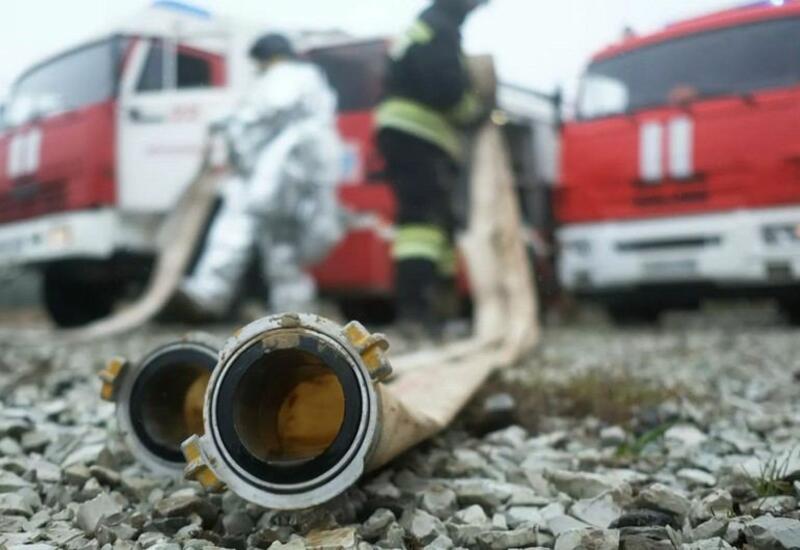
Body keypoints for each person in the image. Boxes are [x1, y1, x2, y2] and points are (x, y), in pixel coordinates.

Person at [168, 33, 344, 320]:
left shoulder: (286, 76)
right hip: (298, 178)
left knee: (238, 226)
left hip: (280, 173)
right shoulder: (312, 83)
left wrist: (226, 121)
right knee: (282, 246)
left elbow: (264, 112)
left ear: (267, 58)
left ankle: (210, 293)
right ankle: (292, 311)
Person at [376, 0, 489, 334]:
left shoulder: (429, 24)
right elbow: (446, 90)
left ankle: (438, 312)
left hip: (411, 134)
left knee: (438, 225)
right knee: (421, 225)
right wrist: (475, 112)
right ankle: (416, 313)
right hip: (418, 134)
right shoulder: (441, 27)